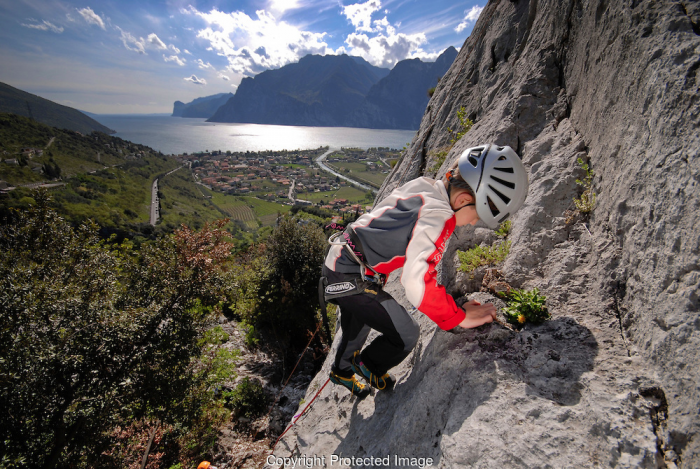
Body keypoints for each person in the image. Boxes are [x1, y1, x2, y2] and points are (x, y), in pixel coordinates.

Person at [321, 144, 529, 398]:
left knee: (360, 320)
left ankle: (340, 371)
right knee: (406, 334)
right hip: (351, 273)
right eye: (477, 214)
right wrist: (459, 317)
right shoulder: (439, 216)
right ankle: (370, 366)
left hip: (341, 259)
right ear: (463, 201)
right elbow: (416, 282)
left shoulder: (425, 185)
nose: (474, 222)